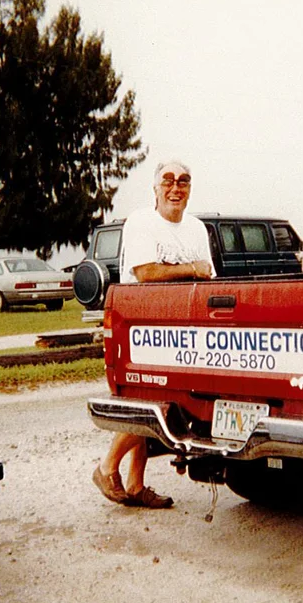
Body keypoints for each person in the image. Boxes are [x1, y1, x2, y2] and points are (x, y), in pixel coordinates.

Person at [92, 159, 215, 509]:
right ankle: (106, 467)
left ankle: (135, 485)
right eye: (168, 181)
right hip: (142, 323)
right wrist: (192, 269)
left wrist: (196, 274)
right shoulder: (141, 221)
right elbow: (146, 272)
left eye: (184, 181)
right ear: (155, 188)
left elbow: (209, 274)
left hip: (183, 324)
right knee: (157, 400)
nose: (176, 187)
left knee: (159, 398)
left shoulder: (197, 228)